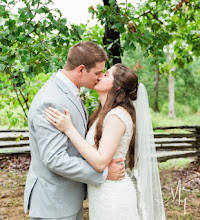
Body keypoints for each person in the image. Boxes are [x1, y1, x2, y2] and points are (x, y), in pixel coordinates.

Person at [45, 63, 166, 219]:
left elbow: (101, 161)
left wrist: (69, 129)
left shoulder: (117, 116)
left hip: (114, 197)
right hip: (102, 194)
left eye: (107, 75)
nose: (100, 75)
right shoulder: (103, 114)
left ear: (117, 87)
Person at [24, 41, 126, 220]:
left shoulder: (69, 91)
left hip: (68, 199)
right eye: (97, 72)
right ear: (80, 69)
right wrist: (102, 173)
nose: (100, 77)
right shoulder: (51, 100)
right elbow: (55, 159)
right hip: (54, 204)